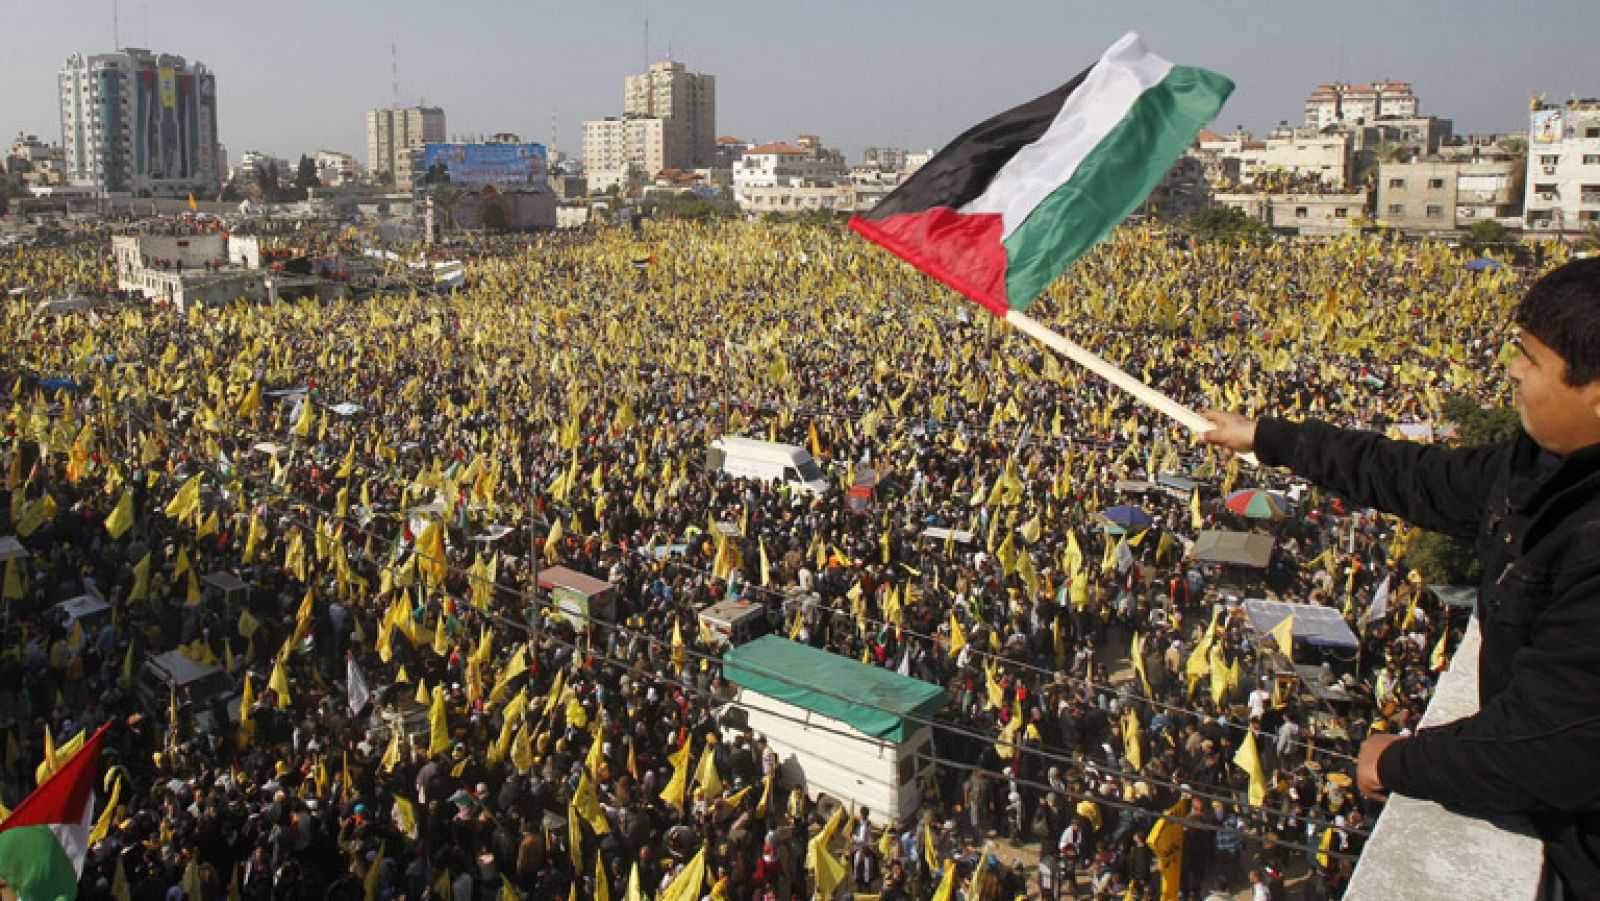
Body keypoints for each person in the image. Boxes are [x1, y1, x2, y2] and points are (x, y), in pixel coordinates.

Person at [1201, 257, 1600, 895]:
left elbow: (1548, 745)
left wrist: (1397, 761)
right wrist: (1268, 439)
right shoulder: (1543, 466)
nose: (1511, 370)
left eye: (1528, 356)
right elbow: (1411, 474)